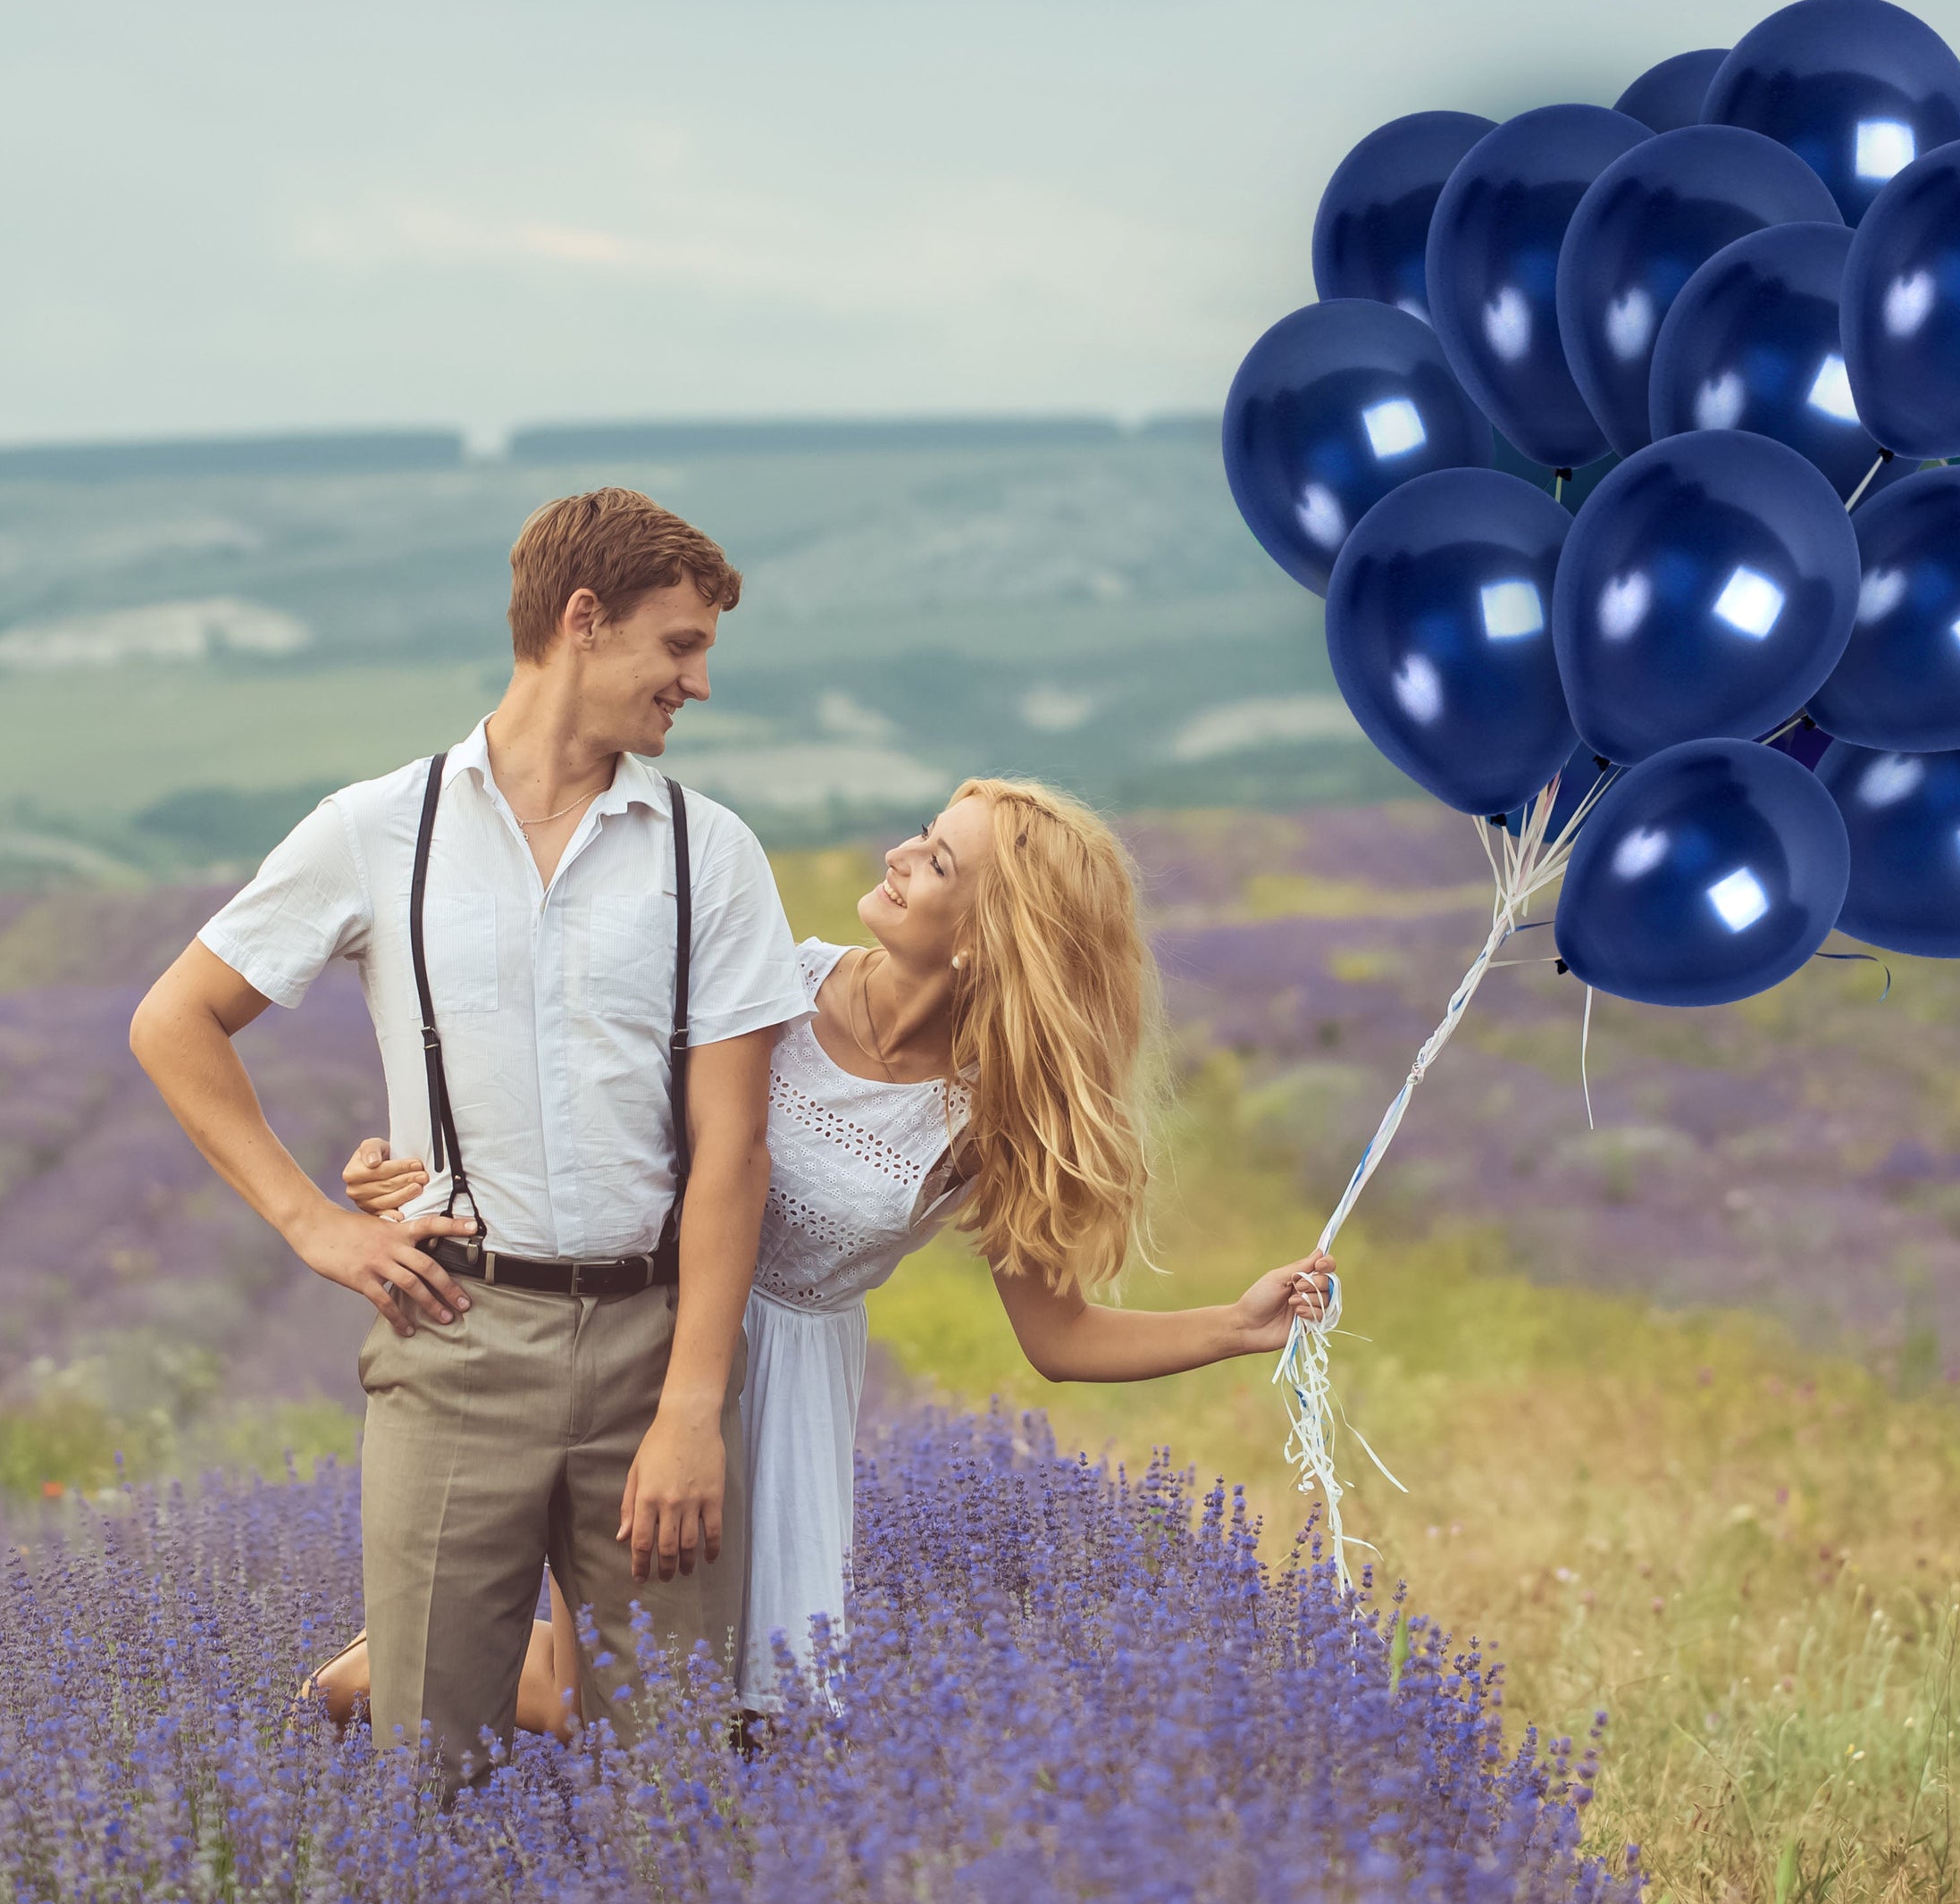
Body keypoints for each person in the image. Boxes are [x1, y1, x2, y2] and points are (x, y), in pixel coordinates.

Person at [308, 776, 1336, 1731]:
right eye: (925, 836)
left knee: (722, 1712)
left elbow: (1059, 1336)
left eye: (936, 862)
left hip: (786, 1393)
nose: (896, 854)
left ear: (990, 936)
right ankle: (381, 1670)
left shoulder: (989, 1116)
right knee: (619, 1697)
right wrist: (412, 1172)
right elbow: (582, 1107)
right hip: (645, 1336)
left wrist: (1238, 1327)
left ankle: (417, 1679)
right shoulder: (776, 986)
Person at [130, 488, 805, 1786]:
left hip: (651, 1346)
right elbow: (177, 1022)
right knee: (426, 1779)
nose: (699, 683)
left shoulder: (710, 855)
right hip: (455, 1343)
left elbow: (734, 1154)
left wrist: (691, 1411)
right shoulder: (378, 830)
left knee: (671, 1787)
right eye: (678, 646)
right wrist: (314, 1222)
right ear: (582, 620)